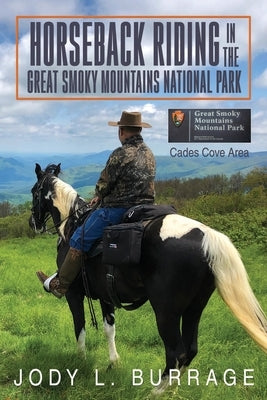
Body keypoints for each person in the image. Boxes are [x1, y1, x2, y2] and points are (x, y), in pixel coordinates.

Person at [37, 111, 156, 298]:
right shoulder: (149, 153)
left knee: (78, 238)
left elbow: (105, 183)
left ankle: (62, 284)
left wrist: (99, 195)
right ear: (140, 129)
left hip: (118, 209)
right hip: (146, 208)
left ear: (122, 131)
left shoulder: (120, 154)